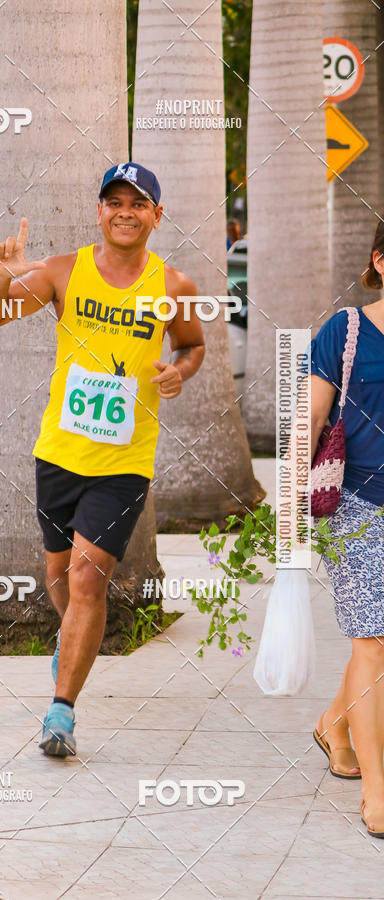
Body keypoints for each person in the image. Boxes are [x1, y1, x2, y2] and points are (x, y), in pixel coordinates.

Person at [0, 162, 205, 757]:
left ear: (157, 215)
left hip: (125, 460)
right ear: (99, 211)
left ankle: (61, 712)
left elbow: (193, 344)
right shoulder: (63, 271)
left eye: (138, 202)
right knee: (58, 575)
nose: (125, 211)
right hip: (58, 450)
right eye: (114, 201)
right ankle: (71, 642)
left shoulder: (174, 285)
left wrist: (178, 371)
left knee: (87, 576)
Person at [310, 218, 384, 838]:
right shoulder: (346, 329)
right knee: (373, 644)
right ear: (380, 262)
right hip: (358, 506)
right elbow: (307, 418)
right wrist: (289, 506)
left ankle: (335, 722)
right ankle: (379, 794)